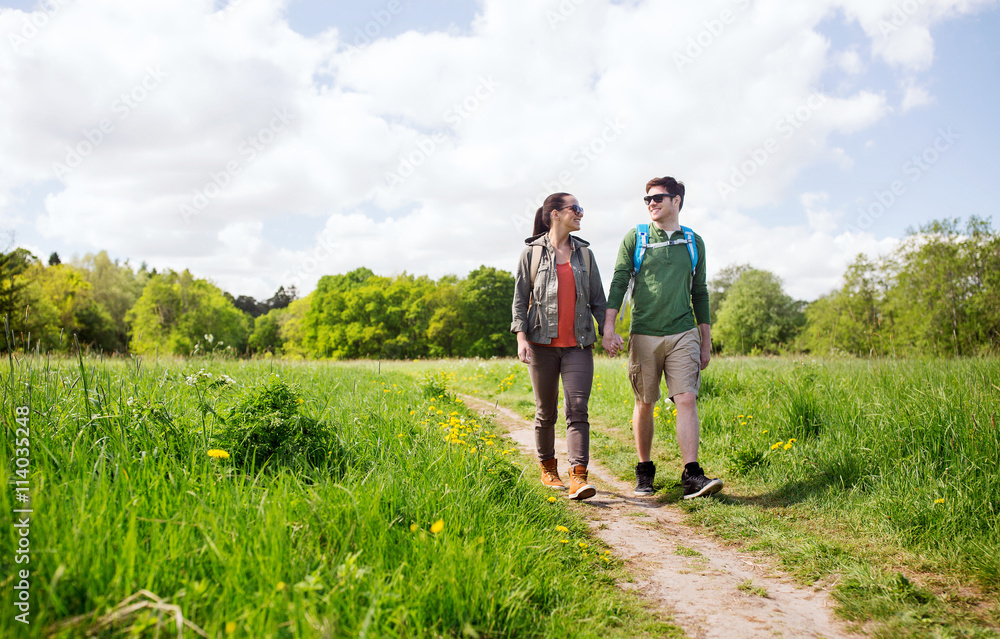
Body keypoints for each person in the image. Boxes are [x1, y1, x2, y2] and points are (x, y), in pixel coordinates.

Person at [602, 177, 723, 499]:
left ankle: (692, 474)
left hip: (684, 331)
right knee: (645, 402)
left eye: (658, 198)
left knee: (686, 398)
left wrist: (705, 339)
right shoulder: (637, 237)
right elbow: (618, 281)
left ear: (677, 201)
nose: (651, 203)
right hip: (644, 333)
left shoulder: (694, 242)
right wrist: (609, 327)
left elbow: (700, 291)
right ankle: (645, 472)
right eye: (647, 199)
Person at [511, 192, 607, 500]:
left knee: (577, 409)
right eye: (576, 209)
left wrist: (609, 331)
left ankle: (579, 477)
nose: (581, 214)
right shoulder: (532, 254)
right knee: (546, 412)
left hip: (578, 344)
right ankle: (548, 468)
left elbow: (598, 301)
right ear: (555, 214)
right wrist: (521, 338)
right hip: (541, 344)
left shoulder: (585, 255)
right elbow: (519, 300)